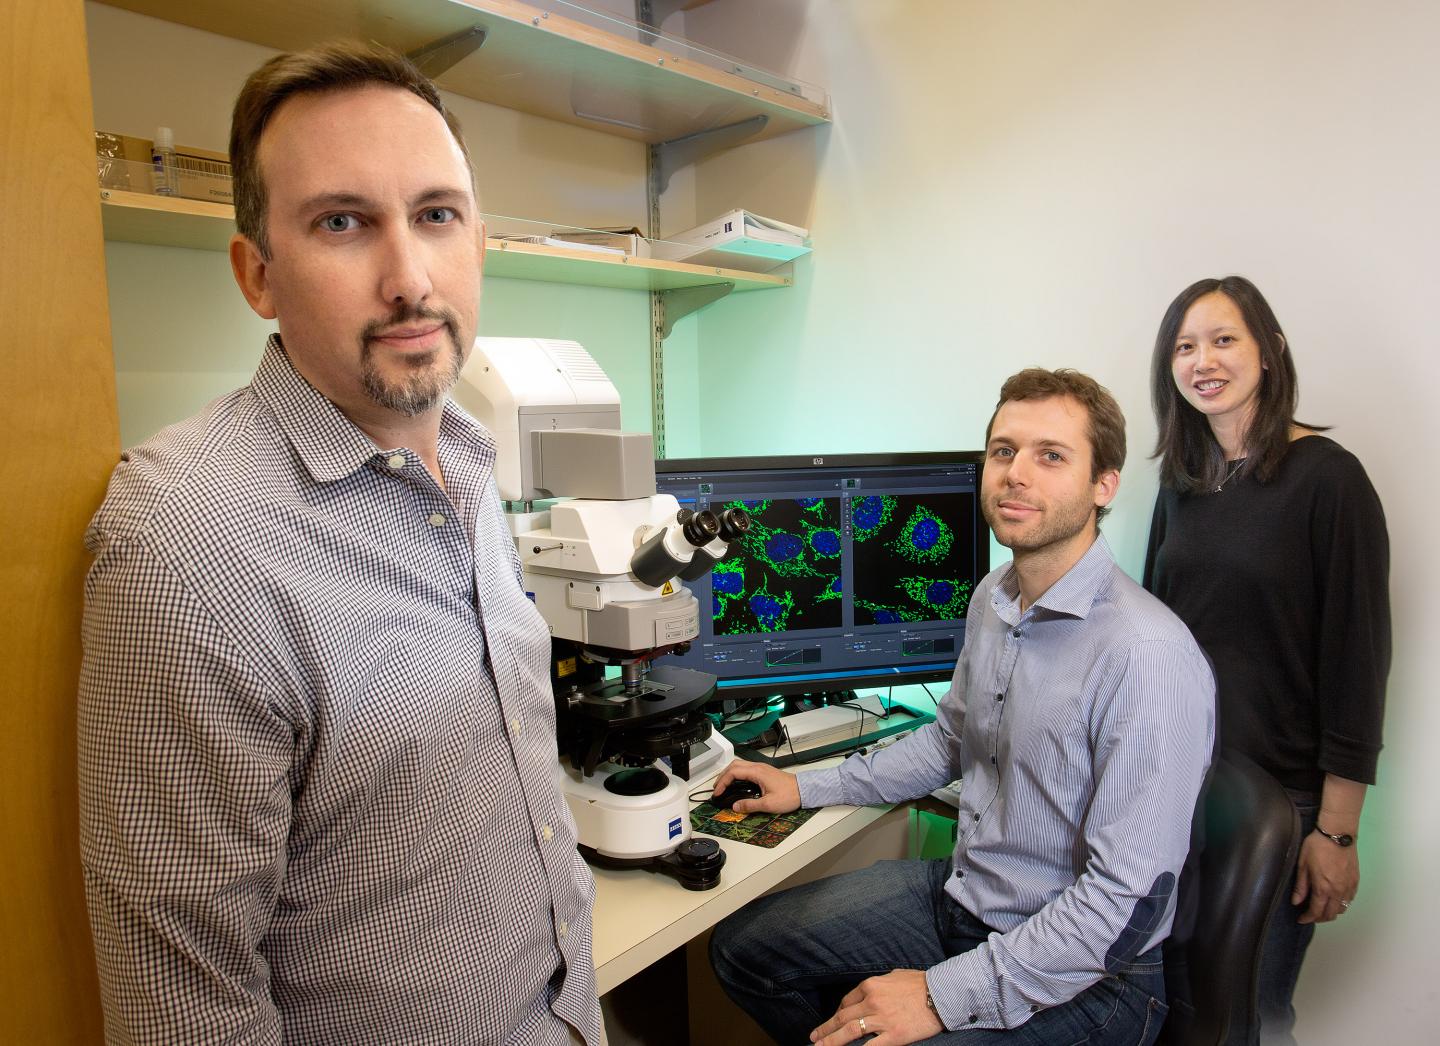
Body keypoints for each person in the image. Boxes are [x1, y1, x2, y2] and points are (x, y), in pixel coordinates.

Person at [78, 42, 602, 1045]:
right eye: (343, 222)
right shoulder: (185, 549)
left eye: (436, 215)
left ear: (479, 241)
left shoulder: (469, 457)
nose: (409, 277)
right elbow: (186, 1007)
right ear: (257, 273)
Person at [708, 369, 1215, 1046]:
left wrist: (942, 996)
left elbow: (1121, 904)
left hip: (1094, 978)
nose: (1015, 474)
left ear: (1104, 485)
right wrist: (803, 784)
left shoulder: (1145, 653)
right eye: (1003, 451)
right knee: (742, 951)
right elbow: (948, 742)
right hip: (966, 898)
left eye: (1051, 455)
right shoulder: (994, 598)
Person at [1143, 275, 1389, 1043]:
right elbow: (1152, 633)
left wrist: (1338, 833)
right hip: (1179, 789)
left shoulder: (1329, 479)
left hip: (1282, 806)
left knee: (1255, 1012)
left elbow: (1358, 661)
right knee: (1174, 1003)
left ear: (1270, 353)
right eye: (1185, 347)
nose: (1203, 360)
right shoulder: (1182, 485)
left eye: (1224, 340)